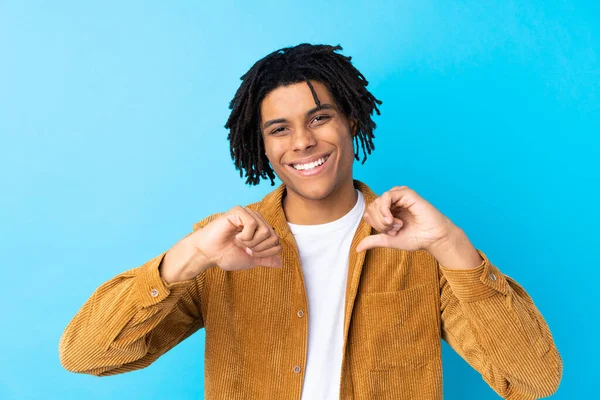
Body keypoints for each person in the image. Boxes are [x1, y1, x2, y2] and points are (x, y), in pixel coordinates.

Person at [59, 43, 563, 399]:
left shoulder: (418, 246)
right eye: (280, 129)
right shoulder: (223, 244)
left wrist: (453, 245)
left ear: (351, 121)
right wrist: (187, 257)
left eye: (319, 118)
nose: (301, 142)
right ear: (263, 146)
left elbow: (532, 380)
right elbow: (87, 354)